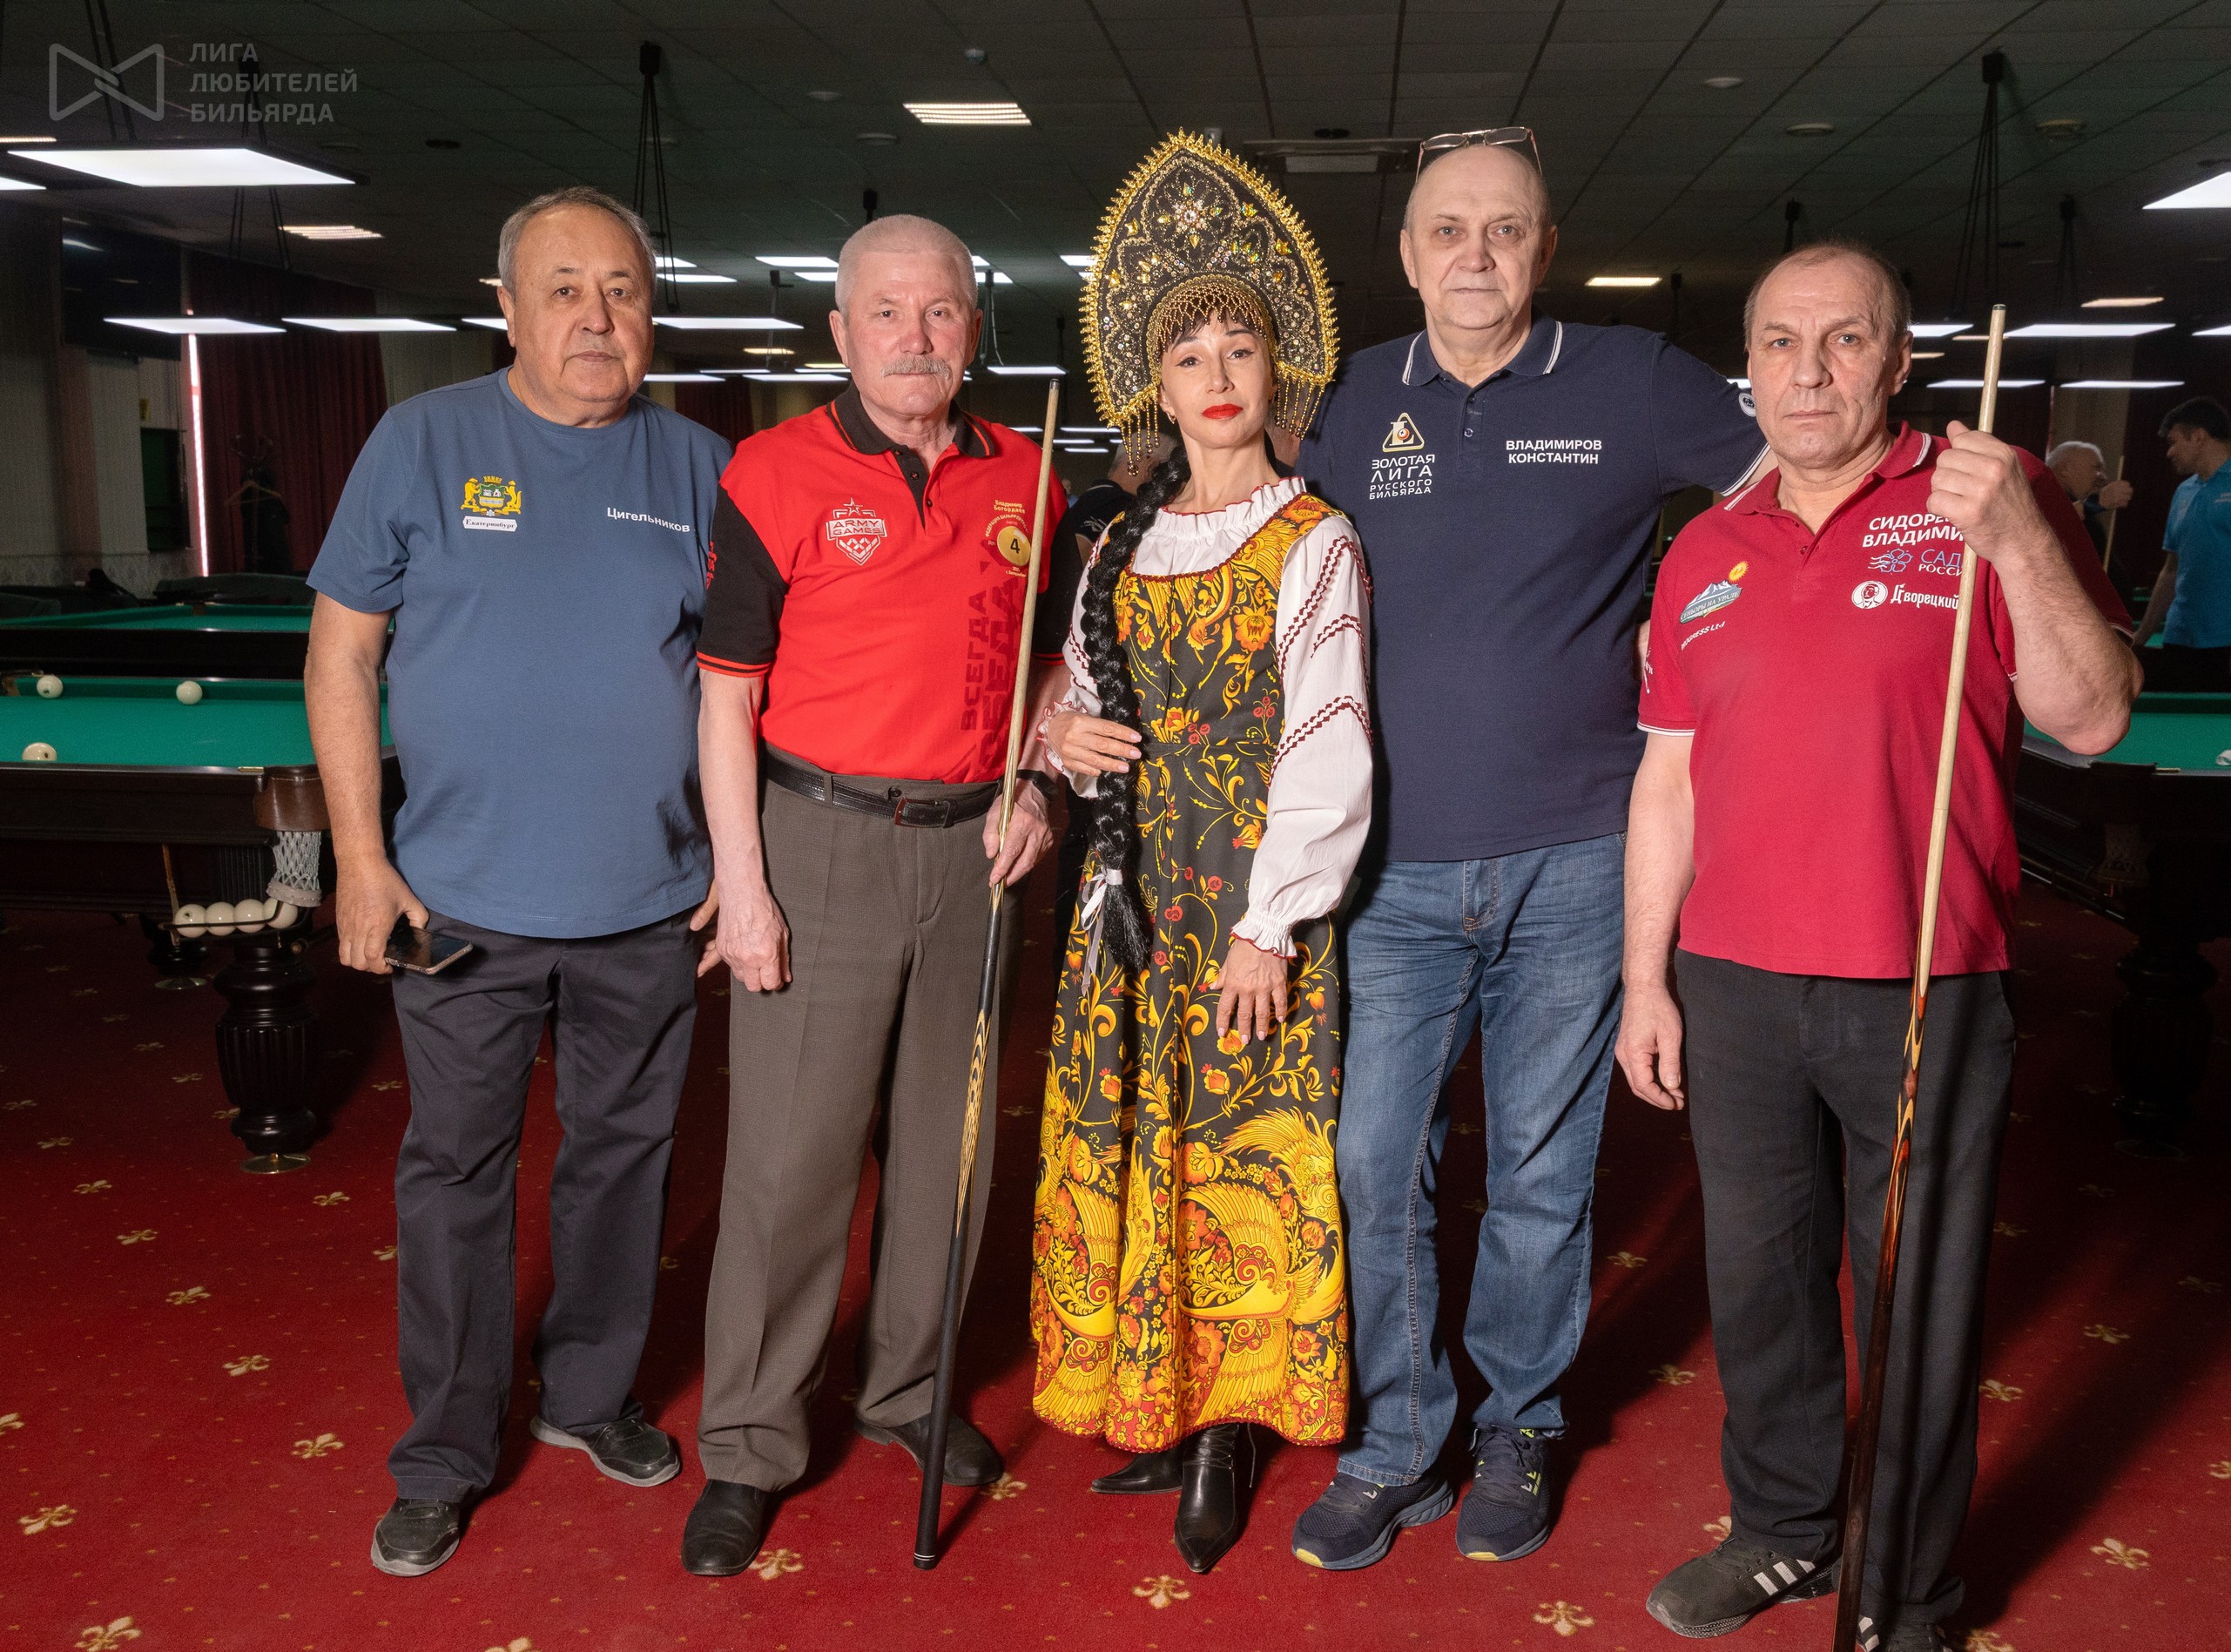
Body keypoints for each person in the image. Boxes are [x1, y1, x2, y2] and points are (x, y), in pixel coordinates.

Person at [1620, 240, 2136, 1650]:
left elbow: (2094, 716)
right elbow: (1666, 780)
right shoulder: (1702, 547)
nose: (1808, 371)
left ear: (1896, 361)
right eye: (1778, 343)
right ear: (1747, 368)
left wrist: (2015, 538)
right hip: (1731, 981)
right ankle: (1783, 1528)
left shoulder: (1987, 494)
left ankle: (1904, 1586)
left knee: (1917, 1299)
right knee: (1759, 1285)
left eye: (1842, 340)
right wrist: (1644, 976)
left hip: (1923, 974)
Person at [1289, 128, 1765, 1571]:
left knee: (1542, 1178)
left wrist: (1698, 631)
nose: (1475, 255)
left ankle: (1520, 1422)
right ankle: (1395, 1438)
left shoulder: (1633, 380)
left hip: (1577, 859)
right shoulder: (1349, 402)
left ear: (1545, 249)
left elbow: (1788, 495)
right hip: (1387, 866)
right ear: (1405, 252)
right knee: (1374, 1160)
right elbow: (1252, 561)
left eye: (1504, 229)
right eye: (1447, 229)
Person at [305, 185, 731, 1578]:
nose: (597, 319)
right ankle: (444, 1450)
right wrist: (360, 860)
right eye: (564, 289)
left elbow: (753, 681)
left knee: (623, 1161)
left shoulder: (702, 466)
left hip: (649, 901)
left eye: (622, 290)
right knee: (455, 1177)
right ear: (505, 307)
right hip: (457, 907)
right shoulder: (419, 442)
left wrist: (740, 862)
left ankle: (590, 1396)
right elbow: (341, 653)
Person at [684, 213, 1064, 1576]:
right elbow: (724, 702)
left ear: (974, 328)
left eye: (940, 310)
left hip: (974, 853)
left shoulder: (1028, 474)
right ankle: (750, 1442)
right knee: (789, 1165)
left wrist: (1037, 785)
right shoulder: (773, 469)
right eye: (886, 313)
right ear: (840, 333)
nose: (914, 337)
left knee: (949, 1153)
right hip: (820, 841)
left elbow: (1050, 673)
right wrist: (742, 887)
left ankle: (907, 1388)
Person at [1032, 131, 1370, 1575]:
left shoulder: (1314, 537)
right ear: (1154, 386)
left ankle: (1231, 1427)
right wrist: (1061, 738)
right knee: (1135, 1135)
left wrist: (1268, 922)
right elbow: (1070, 705)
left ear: (1276, 369)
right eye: (1188, 356)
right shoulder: (1116, 541)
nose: (1217, 374)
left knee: (1232, 1147)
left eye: (1239, 348)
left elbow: (1330, 737)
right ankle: (1160, 1401)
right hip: (1124, 900)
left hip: (1237, 898)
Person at [1046, 431, 1176, 937]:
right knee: (1089, 831)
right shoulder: (1110, 508)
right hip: (1086, 669)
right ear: (1141, 463)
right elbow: (1077, 571)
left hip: (1086, 670)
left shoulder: (1102, 504)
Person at [2132, 396, 2231, 690]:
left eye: (2174, 442)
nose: (2169, 452)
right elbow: (2171, 570)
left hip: (2223, 642)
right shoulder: (2184, 491)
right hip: (2179, 637)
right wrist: (2142, 636)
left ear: (2198, 437)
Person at [2045, 438, 2134, 561]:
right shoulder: (2041, 496)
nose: (2104, 477)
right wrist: (2098, 502)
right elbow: (2052, 522)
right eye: (2096, 468)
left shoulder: (2080, 510)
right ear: (2065, 469)